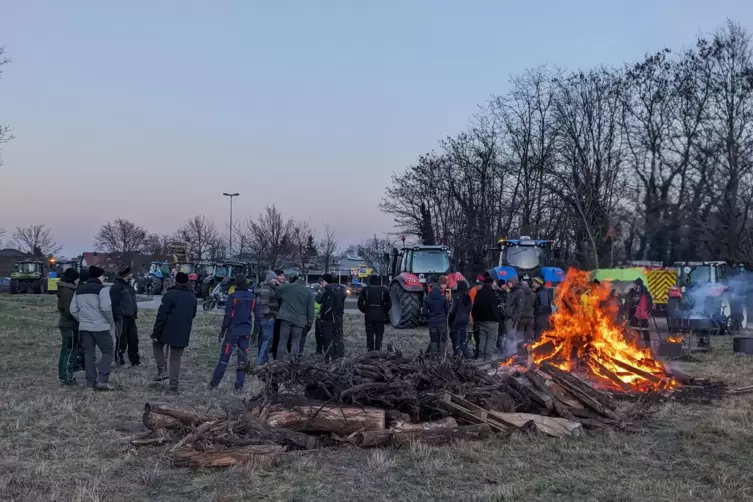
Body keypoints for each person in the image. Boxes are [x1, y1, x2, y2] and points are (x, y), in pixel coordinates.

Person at [209, 274, 261, 390]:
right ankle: (239, 385)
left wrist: (223, 329)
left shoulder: (233, 296)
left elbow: (228, 315)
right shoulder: (252, 297)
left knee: (224, 358)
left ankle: (214, 383)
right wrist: (255, 334)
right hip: (246, 332)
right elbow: (258, 317)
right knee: (242, 360)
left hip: (233, 332)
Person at [70, 266, 115, 390]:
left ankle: (90, 383)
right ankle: (103, 381)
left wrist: (82, 320)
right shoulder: (102, 290)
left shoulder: (79, 290)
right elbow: (106, 308)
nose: (104, 277)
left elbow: (73, 309)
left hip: (84, 327)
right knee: (107, 351)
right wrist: (110, 321)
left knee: (89, 354)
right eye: (103, 275)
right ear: (99, 276)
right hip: (100, 327)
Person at [151, 272, 198, 392]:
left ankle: (162, 370)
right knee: (175, 358)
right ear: (187, 282)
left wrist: (156, 332)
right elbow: (192, 314)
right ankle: (173, 386)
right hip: (183, 331)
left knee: (156, 345)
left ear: (175, 281)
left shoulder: (170, 295)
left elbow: (161, 315)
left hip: (167, 329)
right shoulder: (192, 297)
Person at [273, 273, 314, 361]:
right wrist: (309, 323)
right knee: (295, 341)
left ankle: (278, 360)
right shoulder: (308, 292)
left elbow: (276, 292)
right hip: (299, 320)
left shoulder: (288, 287)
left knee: (282, 341)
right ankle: (293, 360)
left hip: (286, 317)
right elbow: (311, 309)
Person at [110, 266, 140, 367]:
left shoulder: (128, 286)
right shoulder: (116, 287)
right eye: (130, 273)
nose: (132, 275)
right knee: (121, 341)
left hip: (131, 318)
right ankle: (119, 361)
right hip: (121, 318)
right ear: (125, 275)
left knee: (133, 340)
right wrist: (118, 317)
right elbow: (115, 304)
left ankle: (135, 361)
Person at [56, 267, 80, 385]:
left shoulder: (64, 289)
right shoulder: (68, 292)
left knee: (65, 350)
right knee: (69, 351)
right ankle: (67, 377)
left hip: (65, 324)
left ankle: (63, 375)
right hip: (69, 325)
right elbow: (70, 310)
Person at [357, 274, 391, 351]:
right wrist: (383, 311)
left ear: (370, 281)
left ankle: (370, 351)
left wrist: (366, 310)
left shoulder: (365, 290)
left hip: (369, 315)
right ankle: (378, 351)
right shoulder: (385, 290)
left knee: (369, 334)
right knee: (379, 334)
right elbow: (389, 304)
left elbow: (360, 304)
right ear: (379, 281)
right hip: (380, 315)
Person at [472, 276, 501, 359]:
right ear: (491, 284)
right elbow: (494, 308)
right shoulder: (491, 294)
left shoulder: (479, 293)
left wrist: (475, 318)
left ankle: (480, 357)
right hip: (491, 321)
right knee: (491, 339)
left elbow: (474, 308)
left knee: (482, 339)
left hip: (480, 321)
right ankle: (487, 359)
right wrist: (497, 319)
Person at [318, 274, 346, 361]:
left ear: (326, 281)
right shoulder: (341, 289)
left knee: (328, 340)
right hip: (339, 318)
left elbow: (327, 306)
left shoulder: (328, 291)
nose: (321, 283)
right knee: (338, 338)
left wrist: (323, 318)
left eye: (322, 281)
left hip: (329, 320)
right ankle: (340, 357)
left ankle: (329, 359)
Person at [255, 270, 279, 366]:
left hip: (265, 318)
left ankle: (265, 359)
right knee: (267, 340)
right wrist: (269, 316)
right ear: (268, 279)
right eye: (274, 279)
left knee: (265, 339)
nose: (275, 280)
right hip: (267, 319)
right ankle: (260, 362)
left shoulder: (268, 288)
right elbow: (264, 305)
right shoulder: (266, 290)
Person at [423, 280, 451, 354]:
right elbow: (447, 310)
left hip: (432, 322)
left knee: (434, 339)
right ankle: (441, 355)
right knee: (442, 339)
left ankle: (434, 355)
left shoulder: (427, 298)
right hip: (441, 322)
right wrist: (443, 316)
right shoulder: (443, 298)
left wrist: (430, 316)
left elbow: (424, 312)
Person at [448, 279, 473, 358]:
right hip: (464, 320)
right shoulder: (468, 297)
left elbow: (451, 310)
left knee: (455, 338)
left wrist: (449, 321)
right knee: (462, 338)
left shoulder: (455, 296)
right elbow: (469, 308)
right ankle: (467, 355)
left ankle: (456, 355)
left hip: (456, 320)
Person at [626, 278, 653, 346]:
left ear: (638, 285)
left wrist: (648, 311)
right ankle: (635, 345)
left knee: (645, 330)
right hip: (636, 315)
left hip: (644, 315)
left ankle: (647, 345)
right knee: (635, 331)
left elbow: (650, 303)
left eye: (635, 284)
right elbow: (628, 303)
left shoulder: (645, 294)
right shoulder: (632, 293)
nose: (634, 285)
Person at [503, 277, 524, 354]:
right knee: (508, 335)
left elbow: (519, 306)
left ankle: (512, 352)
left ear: (514, 283)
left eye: (510, 282)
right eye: (508, 282)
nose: (508, 283)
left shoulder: (519, 292)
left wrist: (514, 317)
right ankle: (509, 351)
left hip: (512, 318)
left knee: (511, 335)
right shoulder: (511, 291)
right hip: (507, 317)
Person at [270, 269, 286, 359]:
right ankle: (274, 352)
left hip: (283, 313)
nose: (282, 277)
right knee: (276, 333)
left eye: (283, 275)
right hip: (276, 313)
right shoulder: (274, 286)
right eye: (280, 275)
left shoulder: (285, 286)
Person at [495, 280, 509, 355]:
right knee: (500, 334)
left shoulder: (506, 293)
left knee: (506, 333)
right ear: (501, 285)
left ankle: (505, 348)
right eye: (504, 285)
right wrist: (499, 306)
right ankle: (499, 348)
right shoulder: (496, 294)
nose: (505, 286)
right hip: (499, 317)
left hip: (506, 317)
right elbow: (494, 306)